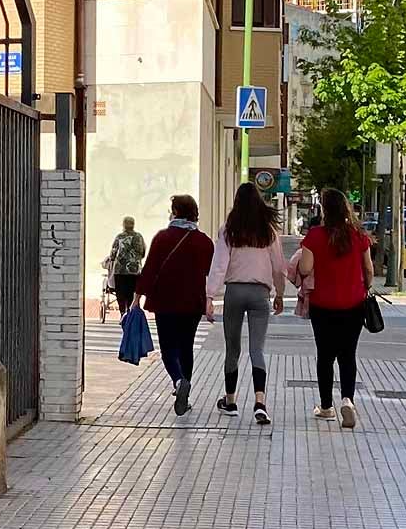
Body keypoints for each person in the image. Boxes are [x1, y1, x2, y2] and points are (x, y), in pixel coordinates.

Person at [206, 183, 286, 425]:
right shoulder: (268, 231)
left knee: (232, 349)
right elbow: (278, 267)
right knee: (256, 349)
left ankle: (230, 402)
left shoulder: (228, 229)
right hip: (260, 294)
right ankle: (260, 402)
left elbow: (219, 265)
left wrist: (209, 296)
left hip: (234, 292)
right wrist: (279, 293)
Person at [135, 195, 215, 416]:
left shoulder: (162, 238)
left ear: (176, 212)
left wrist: (136, 298)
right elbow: (210, 271)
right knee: (186, 346)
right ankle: (185, 394)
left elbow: (150, 268)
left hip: (165, 301)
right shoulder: (205, 242)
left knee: (168, 347)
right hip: (192, 303)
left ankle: (179, 381)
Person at [304, 188, 374, 429]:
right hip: (353, 304)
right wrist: (364, 285)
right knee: (348, 354)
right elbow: (369, 271)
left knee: (325, 355)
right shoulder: (358, 236)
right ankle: (348, 400)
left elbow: (305, 268)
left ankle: (326, 406)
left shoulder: (315, 236)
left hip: (322, 305)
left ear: (324, 210)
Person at [105, 217, 146, 317]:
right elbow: (143, 252)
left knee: (120, 292)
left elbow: (113, 253)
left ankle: (123, 313)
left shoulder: (119, 237)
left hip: (120, 270)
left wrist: (111, 260)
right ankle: (131, 311)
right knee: (132, 291)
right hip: (134, 270)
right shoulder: (139, 236)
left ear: (123, 225)